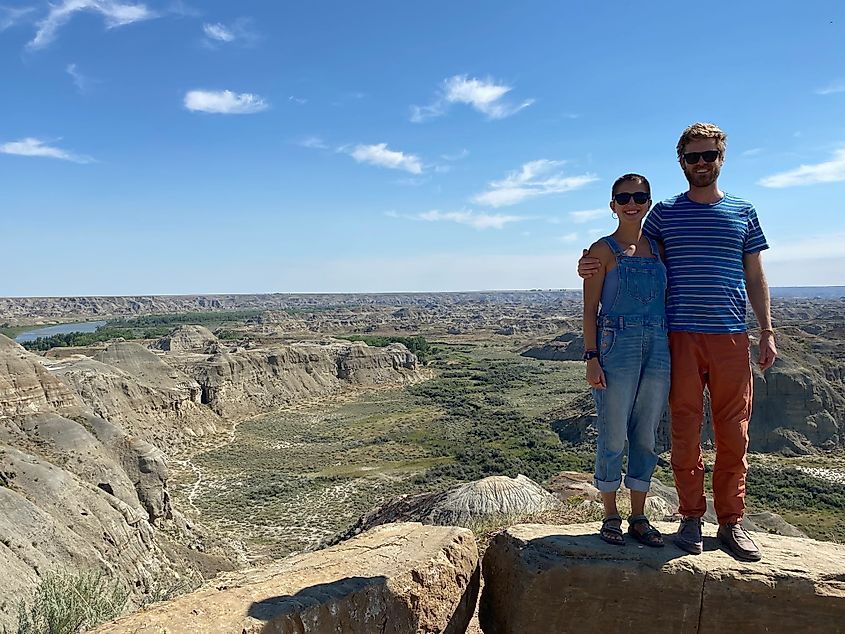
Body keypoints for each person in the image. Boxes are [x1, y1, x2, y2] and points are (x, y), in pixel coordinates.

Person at [578, 123, 777, 562]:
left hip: (729, 335)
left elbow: (755, 274)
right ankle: (690, 516)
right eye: (693, 157)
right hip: (678, 337)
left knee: (733, 432)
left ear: (721, 158)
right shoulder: (666, 214)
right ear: (681, 162)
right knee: (684, 431)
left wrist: (767, 329)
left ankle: (731, 521)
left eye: (709, 155)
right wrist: (590, 261)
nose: (701, 163)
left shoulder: (744, 211)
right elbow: (625, 249)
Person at [583, 173, 669, 548]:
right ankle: (610, 515)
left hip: (659, 343)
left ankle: (639, 515)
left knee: (646, 434)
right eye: (624, 197)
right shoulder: (601, 251)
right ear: (613, 205)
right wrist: (591, 357)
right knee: (613, 432)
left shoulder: (660, 247)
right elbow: (589, 311)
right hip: (616, 342)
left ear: (648, 202)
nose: (631, 202)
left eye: (639, 196)